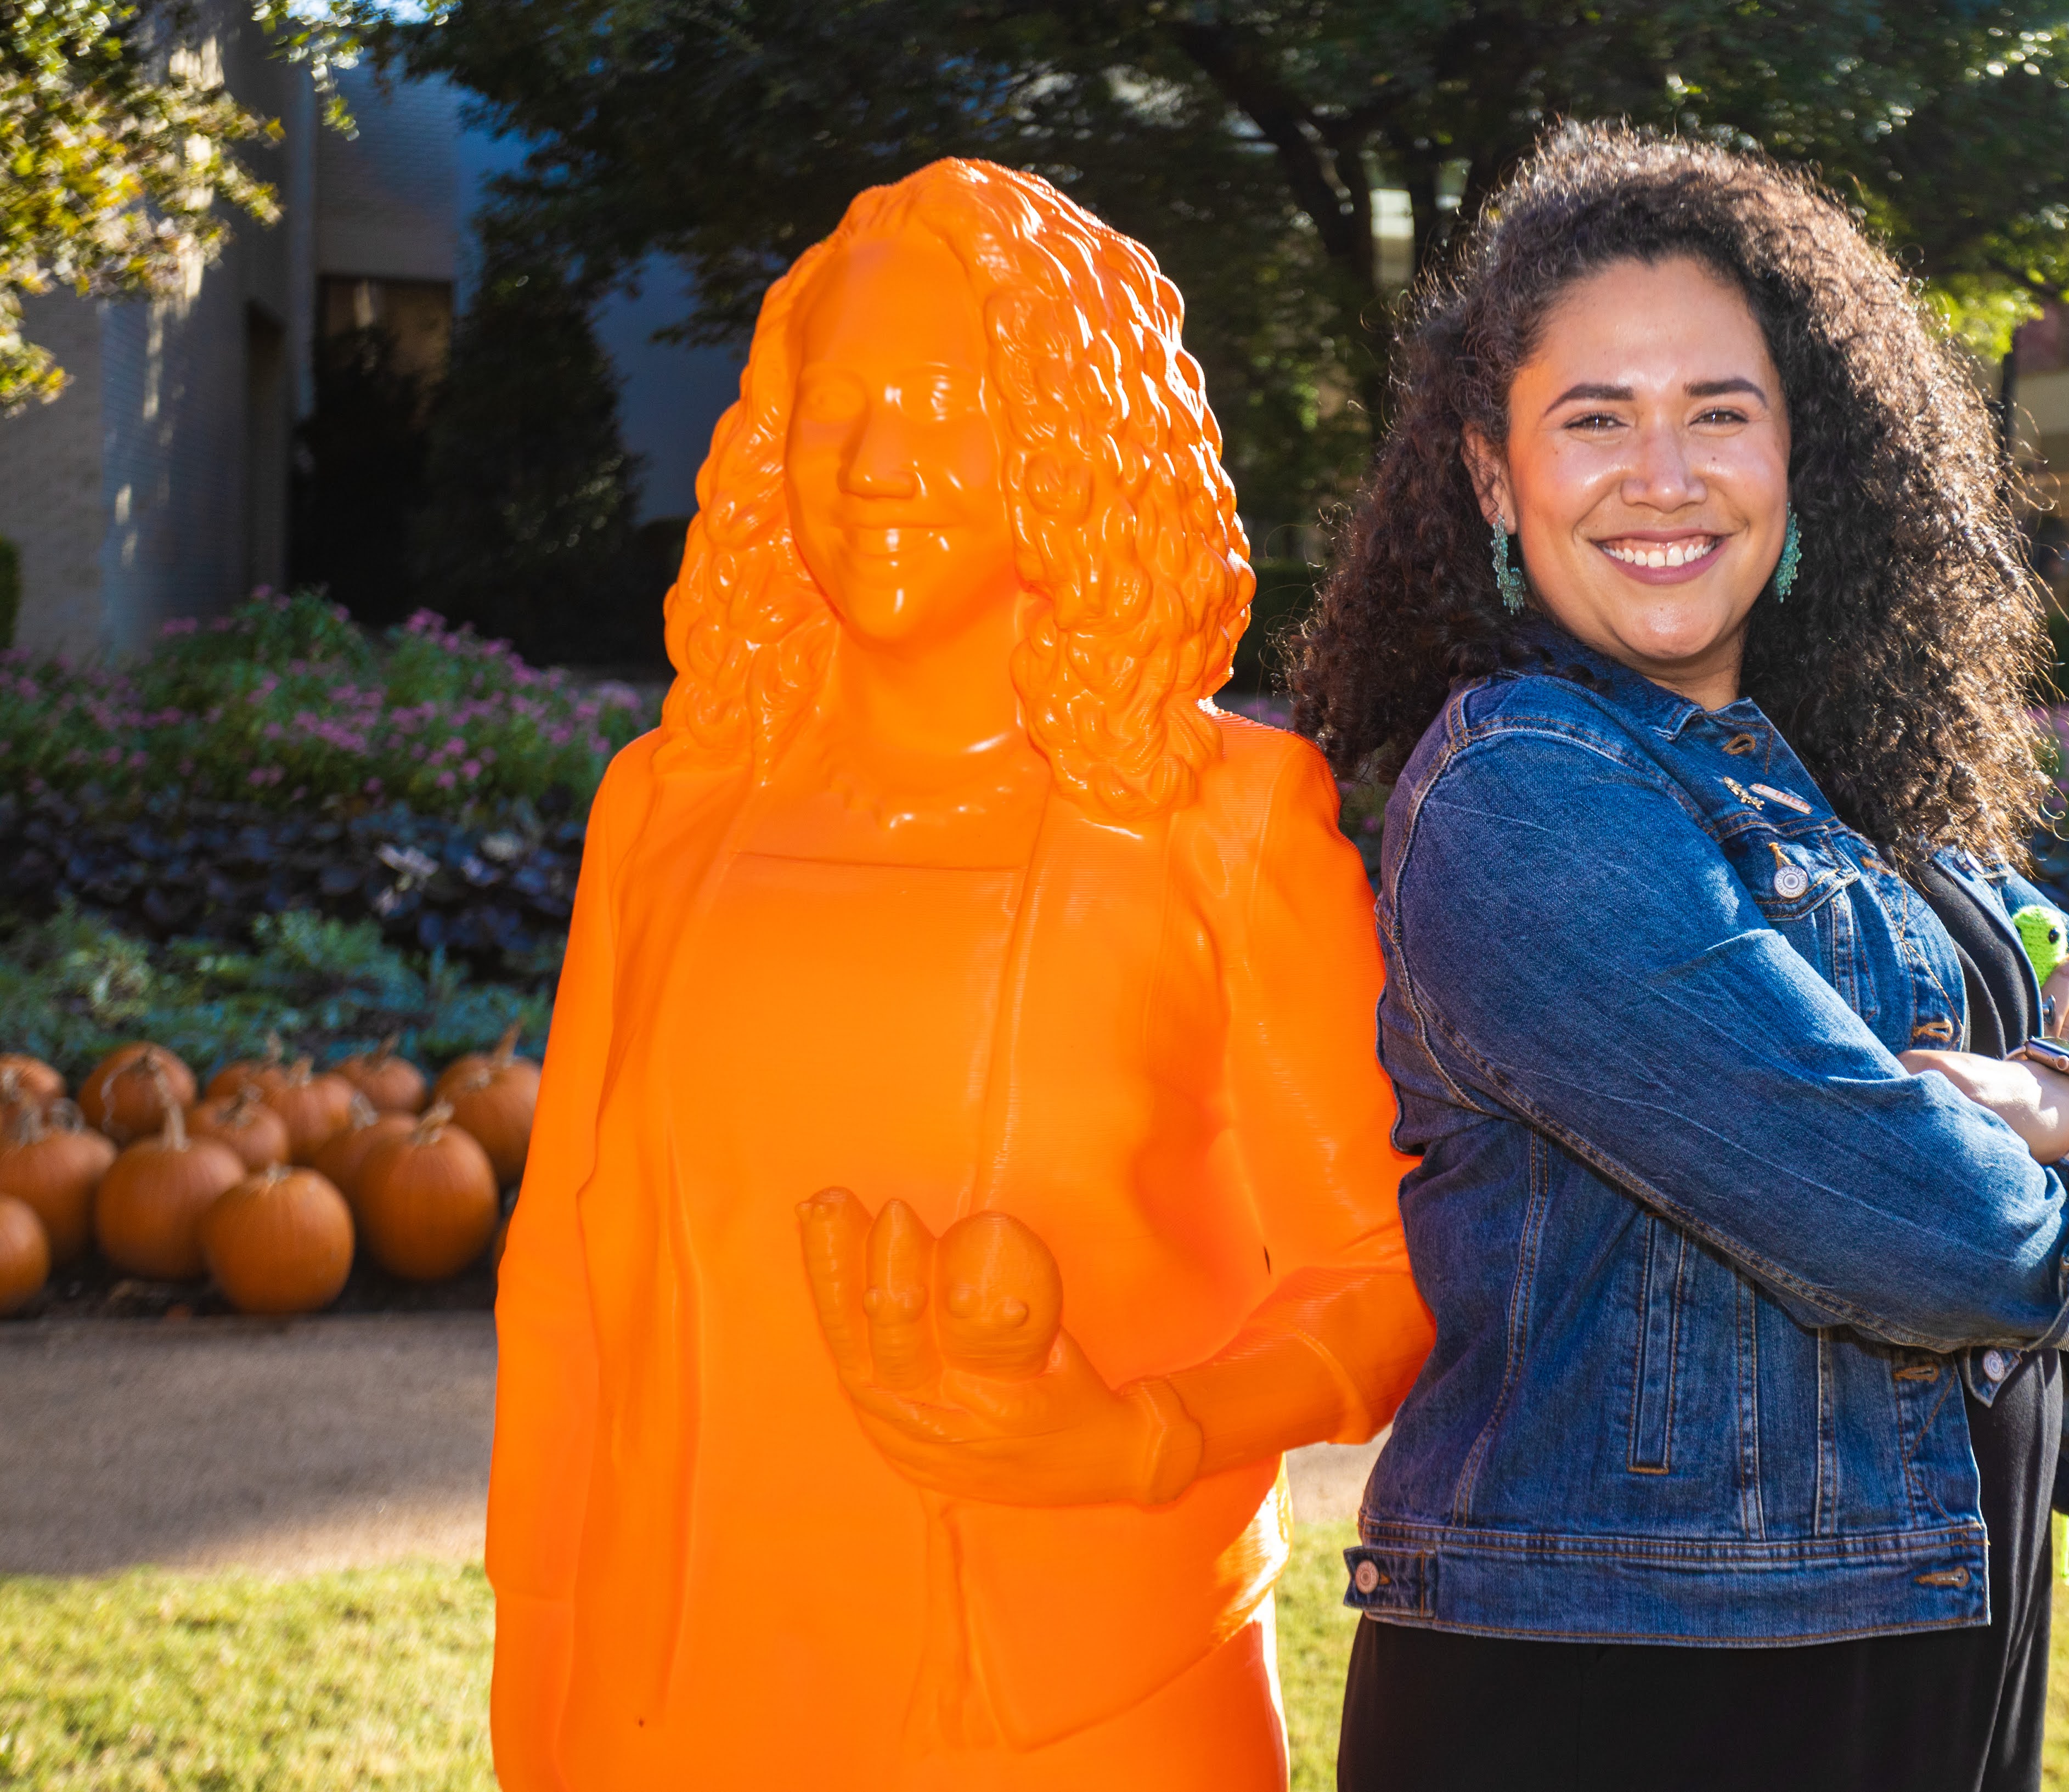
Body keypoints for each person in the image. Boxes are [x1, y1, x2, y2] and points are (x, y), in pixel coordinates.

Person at [1288, 123, 2069, 1791]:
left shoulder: (1852, 794)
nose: (1662, 475)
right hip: (1632, 1708)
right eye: (1593, 417)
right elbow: (1941, 1238)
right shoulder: (1524, 790)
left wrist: (2049, 1098)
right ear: (1492, 476)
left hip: (1922, 1661)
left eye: (1718, 412)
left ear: (1800, 455)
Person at [487, 159, 1433, 1792]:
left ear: (1072, 442)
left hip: (1087, 1717)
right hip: (677, 1709)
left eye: (945, 407)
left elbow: (1393, 1263)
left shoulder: (1219, 828)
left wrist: (1151, 1434)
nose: (874, 464)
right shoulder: (665, 816)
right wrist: (545, 1657)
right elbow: (565, 1282)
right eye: (834, 410)